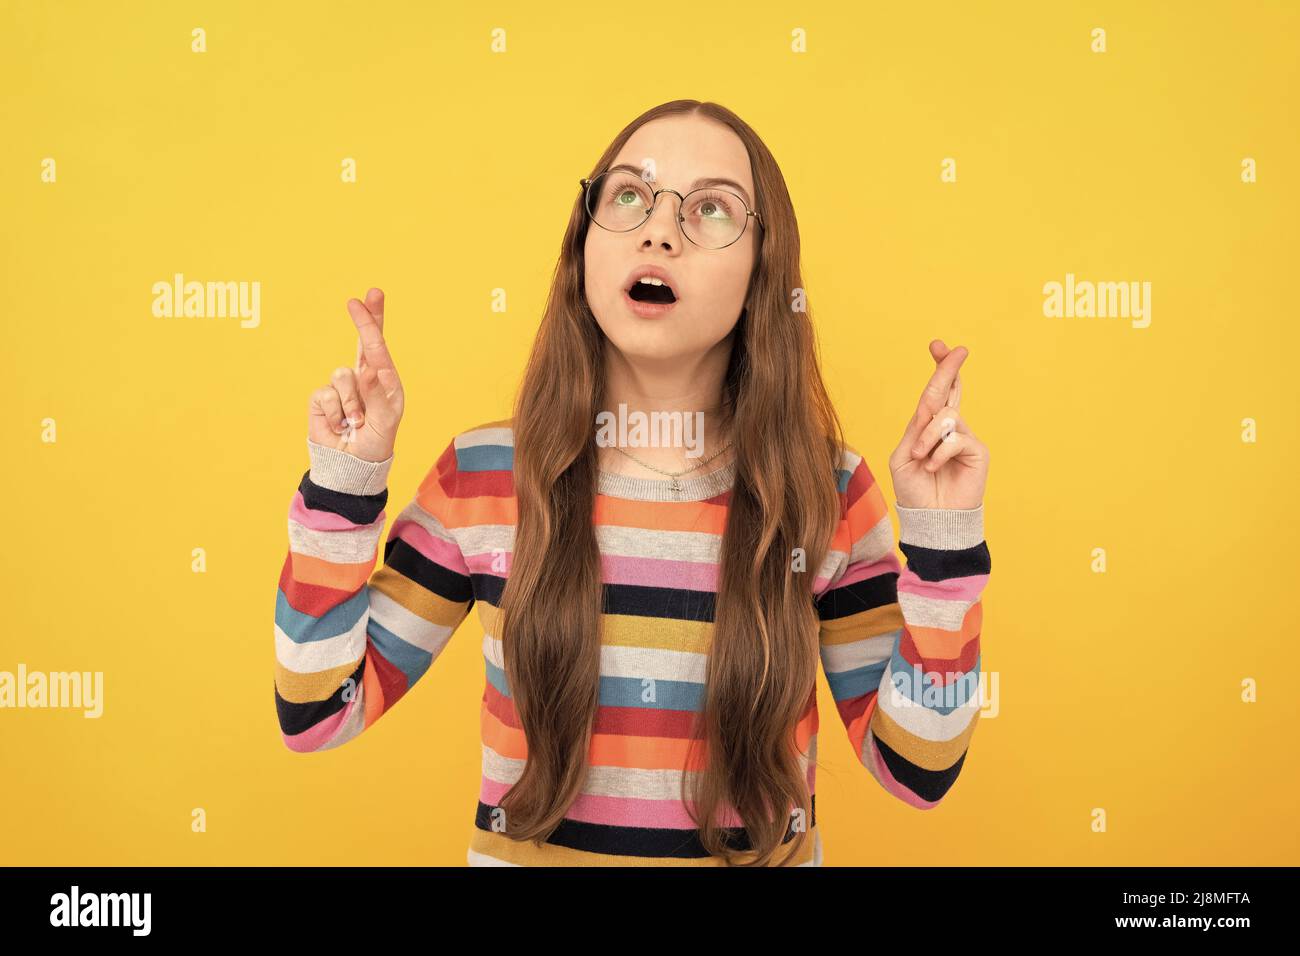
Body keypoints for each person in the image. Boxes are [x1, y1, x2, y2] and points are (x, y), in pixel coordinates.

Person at [275, 99, 992, 867]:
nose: (658, 230)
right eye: (629, 196)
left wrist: (944, 549)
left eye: (711, 208)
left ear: (762, 272)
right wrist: (346, 484)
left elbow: (916, 769)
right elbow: (319, 713)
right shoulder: (484, 478)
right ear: (584, 245)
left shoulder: (826, 492)